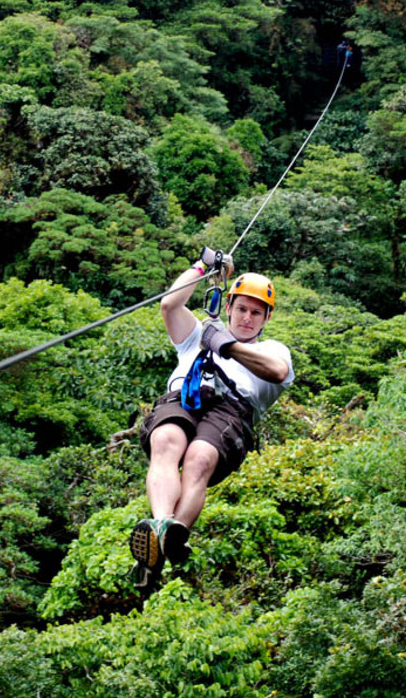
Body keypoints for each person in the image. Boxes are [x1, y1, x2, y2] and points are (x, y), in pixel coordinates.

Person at [129, 248, 294, 580]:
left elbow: (277, 372)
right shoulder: (197, 336)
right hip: (185, 394)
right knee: (166, 439)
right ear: (228, 306)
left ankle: (171, 535)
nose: (247, 318)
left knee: (200, 457)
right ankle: (162, 526)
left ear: (267, 319)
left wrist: (225, 345)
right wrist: (203, 265)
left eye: (256, 313)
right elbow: (169, 304)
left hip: (231, 410)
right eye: (242, 309)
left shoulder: (272, 350)